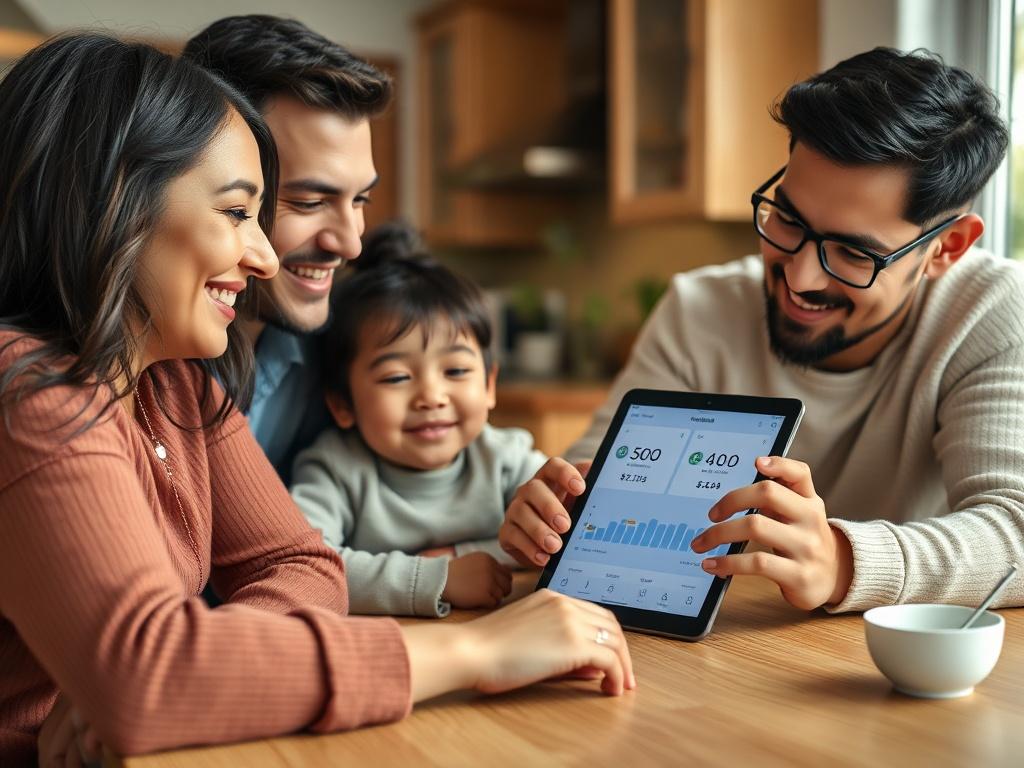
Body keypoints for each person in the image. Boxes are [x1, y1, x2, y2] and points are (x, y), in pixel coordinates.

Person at [0, 34, 633, 767]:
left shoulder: (174, 381)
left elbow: (302, 562)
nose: (263, 252)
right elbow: (151, 675)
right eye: (239, 213)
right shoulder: (25, 384)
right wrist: (477, 648)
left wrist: (210, 677)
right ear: (114, 202)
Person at [500, 47, 1024, 613]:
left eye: (852, 253)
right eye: (787, 220)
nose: (798, 278)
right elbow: (593, 476)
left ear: (946, 248)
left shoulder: (992, 314)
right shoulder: (698, 309)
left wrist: (842, 561)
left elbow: (1016, 532)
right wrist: (557, 513)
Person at [290, 222, 547, 617]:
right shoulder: (334, 469)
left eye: (456, 371)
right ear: (342, 404)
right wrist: (437, 577)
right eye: (396, 377)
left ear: (490, 385)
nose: (431, 397)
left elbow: (559, 536)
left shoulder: (507, 457)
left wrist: (459, 554)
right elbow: (307, 570)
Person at [183, 15, 391, 484]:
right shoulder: (137, 367)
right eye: (309, 202)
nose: (350, 243)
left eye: (360, 199)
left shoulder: (344, 351)